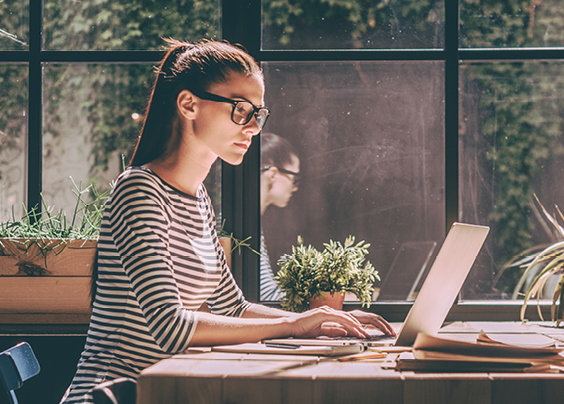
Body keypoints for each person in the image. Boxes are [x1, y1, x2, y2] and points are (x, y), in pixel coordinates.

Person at [60, 38, 394, 404]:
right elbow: (170, 328)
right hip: (110, 397)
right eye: (240, 109)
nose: (253, 126)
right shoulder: (139, 191)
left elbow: (232, 307)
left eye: (259, 113)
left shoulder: (198, 198)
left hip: (168, 392)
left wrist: (320, 321)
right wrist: (296, 325)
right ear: (189, 105)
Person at [257, 132, 300, 301]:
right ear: (273, 175)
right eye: (294, 178)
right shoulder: (245, 226)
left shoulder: (250, 221)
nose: (295, 187)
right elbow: (266, 297)